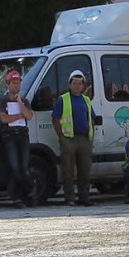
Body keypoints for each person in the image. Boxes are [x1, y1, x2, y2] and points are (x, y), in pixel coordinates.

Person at [53, 69, 96, 205]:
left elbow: (92, 118)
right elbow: (55, 118)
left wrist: (91, 136)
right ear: (70, 84)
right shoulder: (63, 99)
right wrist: (61, 136)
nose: (77, 86)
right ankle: (70, 198)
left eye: (80, 83)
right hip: (68, 139)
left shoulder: (86, 100)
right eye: (75, 83)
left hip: (84, 139)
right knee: (68, 171)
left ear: (83, 85)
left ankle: (84, 197)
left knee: (85, 171)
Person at [0, 68, 33, 206]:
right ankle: (19, 195)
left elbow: (29, 116)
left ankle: (26, 195)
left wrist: (19, 102)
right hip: (9, 136)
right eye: (13, 83)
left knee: (24, 166)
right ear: (8, 84)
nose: (16, 85)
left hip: (23, 135)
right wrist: (19, 116)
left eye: (18, 83)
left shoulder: (24, 101)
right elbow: (4, 118)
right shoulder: (2, 100)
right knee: (14, 166)